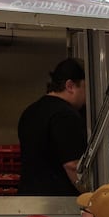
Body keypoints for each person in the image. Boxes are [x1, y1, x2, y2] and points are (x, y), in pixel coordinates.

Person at [18, 58, 87, 196]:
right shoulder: (65, 115)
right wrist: (92, 197)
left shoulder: (30, 111)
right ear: (70, 86)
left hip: (29, 200)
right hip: (58, 202)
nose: (87, 96)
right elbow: (72, 165)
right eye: (85, 88)